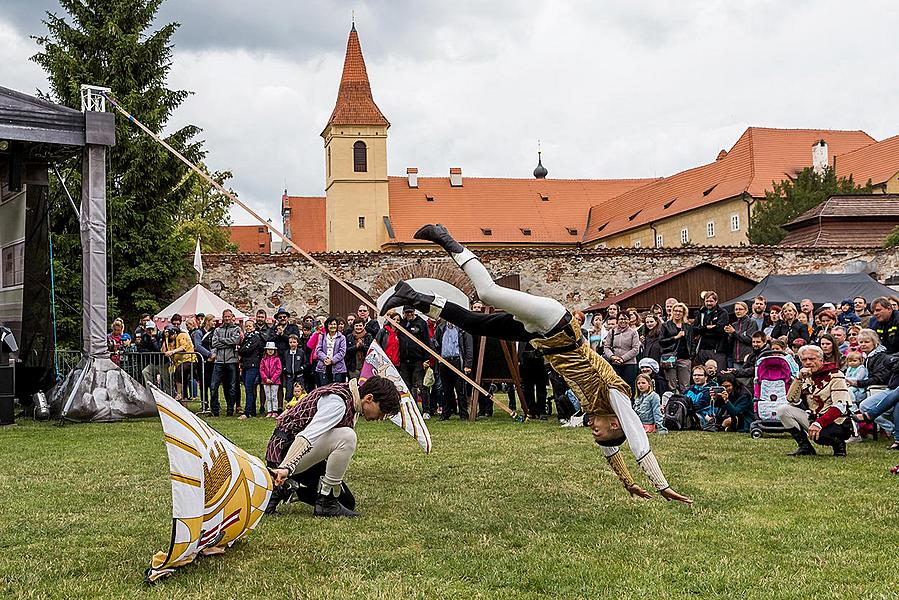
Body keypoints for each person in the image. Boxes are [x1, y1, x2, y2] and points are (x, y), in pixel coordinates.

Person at [381, 224, 692, 503]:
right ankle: (445, 238)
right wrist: (660, 484)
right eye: (599, 432)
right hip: (555, 323)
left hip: (540, 337)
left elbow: (611, 448)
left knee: (475, 323)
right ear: (615, 423)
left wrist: (627, 483)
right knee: (489, 292)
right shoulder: (616, 395)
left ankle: (412, 297)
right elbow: (635, 434)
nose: (592, 431)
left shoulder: (596, 408)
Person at [266, 375, 402, 517]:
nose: (380, 418)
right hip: (286, 452)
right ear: (369, 398)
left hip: (302, 454)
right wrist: (285, 468)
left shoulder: (352, 401)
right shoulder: (337, 403)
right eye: (382, 411)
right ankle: (322, 501)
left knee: (347, 502)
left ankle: (288, 489)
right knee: (347, 437)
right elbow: (306, 437)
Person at [777, 344, 852, 456]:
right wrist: (798, 378)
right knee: (783, 410)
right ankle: (805, 447)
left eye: (812, 359)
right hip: (814, 417)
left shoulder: (836, 375)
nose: (808, 362)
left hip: (836, 421)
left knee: (820, 435)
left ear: (821, 360)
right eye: (804, 360)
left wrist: (819, 423)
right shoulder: (806, 376)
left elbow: (840, 406)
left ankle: (839, 445)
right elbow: (791, 399)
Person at [432, 318, 473, 421]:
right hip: (444, 361)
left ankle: (463, 414)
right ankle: (446, 413)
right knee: (446, 390)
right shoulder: (440, 328)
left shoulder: (462, 330)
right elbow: (434, 343)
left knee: (460, 389)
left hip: (457, 361)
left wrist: (468, 364)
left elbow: (468, 348)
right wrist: (438, 357)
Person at [210, 309, 241, 417]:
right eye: (225, 317)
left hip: (231, 361)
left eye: (229, 316)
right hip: (218, 362)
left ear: (232, 317)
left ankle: (230, 410)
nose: (227, 318)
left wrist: (221, 341)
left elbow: (236, 341)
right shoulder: (217, 329)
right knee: (214, 386)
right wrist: (228, 342)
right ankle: (214, 410)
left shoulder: (237, 328)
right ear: (222, 317)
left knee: (232, 387)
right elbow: (214, 343)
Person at [659, 302, 694, 392]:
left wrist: (691, 356)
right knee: (671, 385)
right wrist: (675, 337)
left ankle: (684, 403)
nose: (677, 313)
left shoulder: (688, 327)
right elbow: (661, 341)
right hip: (669, 358)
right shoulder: (666, 325)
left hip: (685, 358)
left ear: (683, 313)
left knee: (685, 385)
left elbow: (692, 342)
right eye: (675, 311)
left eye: (680, 311)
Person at [602, 315, 640, 391]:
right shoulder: (612, 332)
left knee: (629, 387)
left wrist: (623, 358)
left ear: (629, 320)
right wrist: (612, 357)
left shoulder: (633, 332)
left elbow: (635, 349)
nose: (623, 321)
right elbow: (606, 347)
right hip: (615, 363)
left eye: (625, 319)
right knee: (616, 387)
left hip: (630, 364)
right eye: (621, 319)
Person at [693, 291, 729, 371]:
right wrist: (706, 328)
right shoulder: (701, 313)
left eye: (711, 301)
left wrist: (702, 329)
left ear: (716, 301)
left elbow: (719, 329)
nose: (709, 303)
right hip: (702, 349)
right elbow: (694, 329)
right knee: (703, 373)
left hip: (717, 349)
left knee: (718, 373)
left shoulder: (722, 313)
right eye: (707, 301)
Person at [163, 324, 197, 403]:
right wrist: (166, 340)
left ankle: (179, 394)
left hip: (189, 360)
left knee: (179, 371)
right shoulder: (169, 341)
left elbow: (183, 347)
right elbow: (164, 351)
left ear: (174, 333)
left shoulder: (181, 335)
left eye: (170, 335)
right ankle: (183, 400)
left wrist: (172, 352)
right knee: (180, 379)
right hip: (178, 363)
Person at [238, 319, 264, 419]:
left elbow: (246, 350)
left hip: (253, 365)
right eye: (247, 326)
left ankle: (248, 412)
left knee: (249, 388)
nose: (248, 328)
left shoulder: (255, 337)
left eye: (250, 326)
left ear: (254, 327)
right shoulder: (246, 337)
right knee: (248, 388)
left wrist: (241, 349)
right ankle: (252, 410)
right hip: (246, 365)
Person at [518, 339, 548, 419]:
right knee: (528, 389)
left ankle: (541, 411)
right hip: (526, 363)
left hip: (540, 362)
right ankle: (532, 410)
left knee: (541, 388)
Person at [315, 317, 348, 386]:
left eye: (334, 324)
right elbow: (318, 350)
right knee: (324, 389)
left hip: (338, 368)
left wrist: (332, 360)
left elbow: (342, 352)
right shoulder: (323, 337)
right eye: (331, 324)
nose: (333, 326)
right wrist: (325, 359)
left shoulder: (342, 338)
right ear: (327, 325)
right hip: (323, 366)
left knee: (337, 390)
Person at [725, 301, 758, 369]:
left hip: (747, 358)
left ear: (746, 310)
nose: (738, 311)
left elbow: (750, 340)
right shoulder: (734, 324)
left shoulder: (751, 323)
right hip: (735, 358)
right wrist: (729, 334)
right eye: (736, 309)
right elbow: (730, 344)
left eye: (740, 309)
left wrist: (734, 333)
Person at [684, 365, 714, 431]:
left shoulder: (709, 390)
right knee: (668, 394)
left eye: (700, 375)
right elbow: (681, 398)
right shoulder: (690, 388)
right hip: (687, 411)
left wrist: (684, 406)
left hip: (701, 416)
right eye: (694, 375)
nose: (696, 377)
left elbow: (698, 406)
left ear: (706, 377)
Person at [260, 341, 283, 418]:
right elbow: (261, 370)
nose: (270, 351)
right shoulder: (263, 359)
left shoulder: (277, 359)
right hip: (265, 381)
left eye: (272, 349)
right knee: (268, 396)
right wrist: (266, 378)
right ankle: (269, 410)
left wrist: (273, 379)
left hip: (275, 381)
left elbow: (279, 370)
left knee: (274, 396)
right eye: (269, 349)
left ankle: (275, 410)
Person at [282, 334, 308, 400]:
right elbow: (283, 363)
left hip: (299, 376)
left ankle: (300, 407)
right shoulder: (286, 353)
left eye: (294, 342)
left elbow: (306, 363)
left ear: (297, 343)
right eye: (290, 342)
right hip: (289, 376)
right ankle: (289, 406)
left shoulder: (301, 352)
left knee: (300, 392)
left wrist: (302, 368)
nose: (292, 344)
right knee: (289, 392)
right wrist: (285, 368)